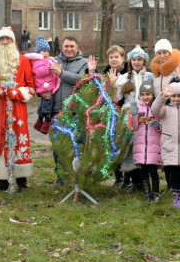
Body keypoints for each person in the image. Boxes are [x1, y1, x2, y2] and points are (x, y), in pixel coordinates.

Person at [0, 27, 36, 192]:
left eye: (8, 39)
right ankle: (2, 180)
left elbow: (31, 86)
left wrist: (18, 93)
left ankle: (21, 179)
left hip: (17, 107)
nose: (5, 42)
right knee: (0, 138)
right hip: (0, 107)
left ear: (13, 42)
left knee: (19, 137)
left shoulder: (24, 61)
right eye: (2, 39)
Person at [150, 39, 180, 196]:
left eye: (165, 53)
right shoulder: (155, 72)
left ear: (170, 53)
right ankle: (171, 184)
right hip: (163, 116)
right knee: (166, 152)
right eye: (159, 53)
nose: (162, 56)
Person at [114, 45, 154, 193]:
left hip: (145, 114)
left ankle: (145, 183)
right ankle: (134, 182)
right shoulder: (124, 77)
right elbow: (117, 98)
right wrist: (114, 84)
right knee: (129, 148)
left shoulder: (150, 76)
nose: (136, 62)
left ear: (144, 61)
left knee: (142, 148)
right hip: (128, 115)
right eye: (134, 60)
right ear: (130, 61)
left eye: (139, 60)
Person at [151, 77, 180, 208]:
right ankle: (177, 195)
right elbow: (154, 110)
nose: (176, 98)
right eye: (173, 96)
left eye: (179, 96)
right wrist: (162, 96)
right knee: (174, 174)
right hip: (170, 147)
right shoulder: (164, 110)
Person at [50, 36, 89, 185]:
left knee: (77, 144)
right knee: (58, 147)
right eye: (66, 46)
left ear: (77, 48)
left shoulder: (83, 63)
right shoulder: (53, 61)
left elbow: (81, 80)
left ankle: (78, 177)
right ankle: (61, 177)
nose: (69, 49)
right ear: (62, 47)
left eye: (72, 46)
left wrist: (61, 74)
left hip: (75, 112)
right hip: (57, 111)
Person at [97, 45, 131, 188]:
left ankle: (128, 178)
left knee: (125, 144)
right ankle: (118, 176)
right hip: (110, 113)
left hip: (123, 112)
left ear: (123, 58)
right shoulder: (105, 72)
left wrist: (114, 84)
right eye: (111, 57)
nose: (114, 59)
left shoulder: (128, 72)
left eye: (117, 57)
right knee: (112, 144)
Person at [130, 79, 162, 202]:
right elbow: (135, 127)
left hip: (153, 146)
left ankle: (156, 193)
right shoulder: (137, 107)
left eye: (147, 94)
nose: (145, 97)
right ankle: (146, 193)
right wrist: (134, 115)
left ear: (153, 95)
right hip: (141, 145)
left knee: (153, 170)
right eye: (142, 94)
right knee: (143, 171)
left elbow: (162, 125)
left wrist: (158, 125)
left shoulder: (156, 108)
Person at [25, 36, 60, 134]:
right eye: (44, 51)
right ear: (38, 52)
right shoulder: (37, 61)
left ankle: (40, 120)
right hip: (43, 86)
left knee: (45, 104)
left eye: (47, 51)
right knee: (48, 106)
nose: (46, 53)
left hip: (48, 86)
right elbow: (40, 72)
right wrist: (50, 67)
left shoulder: (47, 60)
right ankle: (46, 121)